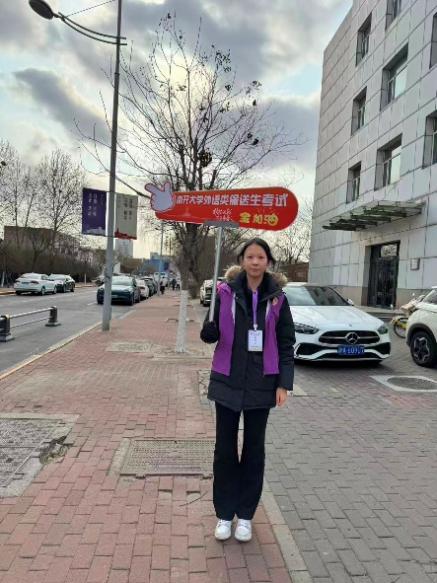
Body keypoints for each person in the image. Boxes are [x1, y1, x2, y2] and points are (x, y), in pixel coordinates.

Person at [200, 237, 295, 543]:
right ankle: (224, 514)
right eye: (250, 256)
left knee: (254, 451)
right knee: (224, 450)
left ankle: (245, 516)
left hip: (262, 383)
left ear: (268, 262)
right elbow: (210, 333)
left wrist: (284, 383)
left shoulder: (278, 299)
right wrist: (208, 331)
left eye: (261, 257)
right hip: (226, 379)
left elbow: (286, 343)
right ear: (241, 260)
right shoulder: (224, 293)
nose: (255, 262)